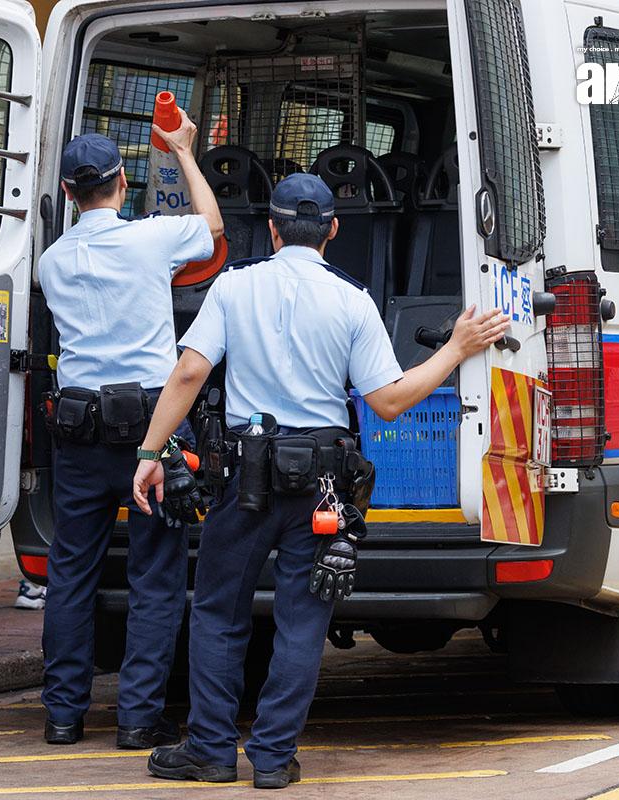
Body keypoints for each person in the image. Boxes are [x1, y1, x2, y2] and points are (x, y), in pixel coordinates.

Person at [132, 173, 509, 789]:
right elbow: (388, 402)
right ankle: (275, 760)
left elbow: (187, 376)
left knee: (218, 614)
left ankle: (209, 751)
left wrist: (152, 450)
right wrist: (457, 349)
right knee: (302, 621)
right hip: (322, 489)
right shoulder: (354, 301)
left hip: (243, 479)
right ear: (333, 231)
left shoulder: (233, 287)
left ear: (272, 228)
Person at [37, 112, 223, 749]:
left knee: (70, 572)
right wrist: (185, 153)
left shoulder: (50, 263)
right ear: (123, 183)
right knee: (156, 573)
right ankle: (139, 718)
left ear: (66, 193)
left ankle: (63, 715)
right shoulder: (151, 240)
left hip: (78, 426)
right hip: (152, 425)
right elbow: (214, 227)